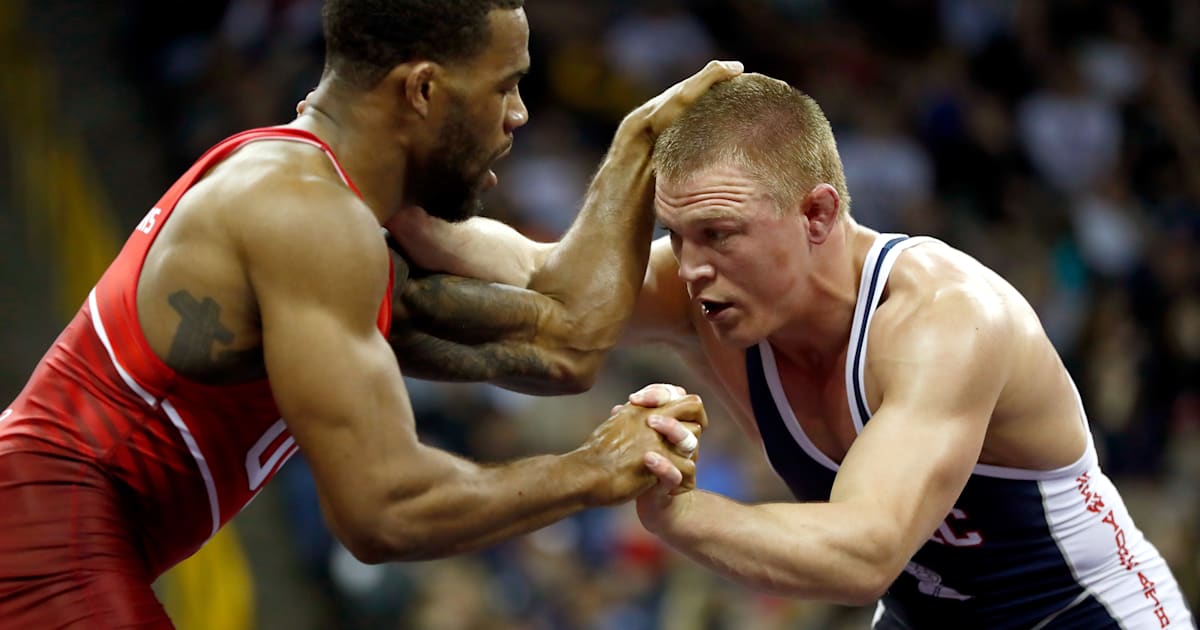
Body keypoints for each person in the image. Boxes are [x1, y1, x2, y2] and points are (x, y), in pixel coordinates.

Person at [0, 0, 741, 625]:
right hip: (36, 534)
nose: (518, 114)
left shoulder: (363, 209)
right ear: (422, 90)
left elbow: (567, 341)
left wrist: (638, 145)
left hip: (69, 536)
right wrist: (592, 470)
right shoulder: (299, 212)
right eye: (506, 85)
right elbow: (385, 513)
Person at [385, 73, 1196, 629]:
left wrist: (673, 505)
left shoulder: (945, 320)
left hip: (1083, 615)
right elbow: (542, 273)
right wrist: (376, 193)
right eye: (677, 235)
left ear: (816, 214)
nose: (692, 266)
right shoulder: (710, 289)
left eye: (720, 234)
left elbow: (864, 553)